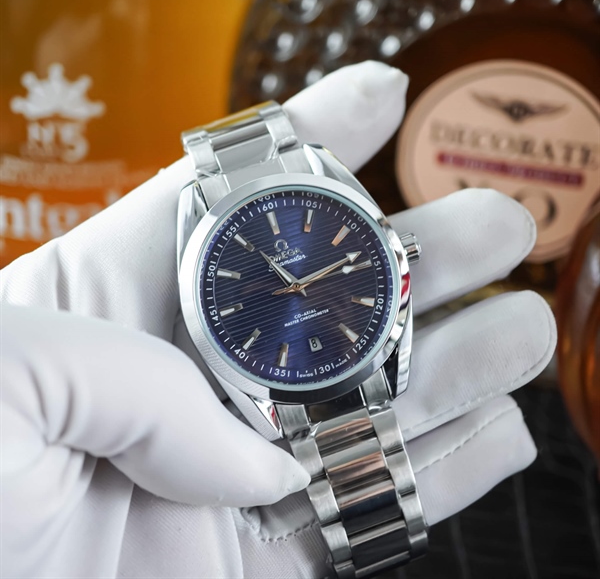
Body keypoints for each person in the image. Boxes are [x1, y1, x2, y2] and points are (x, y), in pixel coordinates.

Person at [1, 61, 556, 578]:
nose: (296, 289)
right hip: (283, 378)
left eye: (303, 283)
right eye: (291, 287)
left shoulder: (347, 229)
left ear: (398, 252)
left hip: (346, 355)